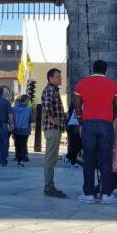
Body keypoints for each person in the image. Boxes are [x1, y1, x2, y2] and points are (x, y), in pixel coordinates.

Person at [74, 60, 117, 206]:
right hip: (106, 125)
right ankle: (106, 194)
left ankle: (88, 194)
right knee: (106, 160)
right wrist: (110, 118)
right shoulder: (113, 84)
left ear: (92, 70)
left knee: (88, 159)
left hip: (88, 124)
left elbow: (76, 104)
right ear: (105, 70)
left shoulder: (82, 83)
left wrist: (80, 119)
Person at [41, 68, 67, 197]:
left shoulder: (53, 90)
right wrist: (52, 118)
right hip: (52, 128)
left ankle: (50, 186)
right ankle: (48, 187)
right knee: (50, 158)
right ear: (50, 78)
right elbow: (46, 104)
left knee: (52, 158)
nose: (60, 79)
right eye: (58, 77)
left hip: (54, 128)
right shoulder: (50, 90)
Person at [12, 94, 32, 166]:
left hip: (16, 129)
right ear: (26, 100)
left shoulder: (14, 108)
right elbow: (31, 120)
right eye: (28, 100)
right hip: (25, 129)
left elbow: (12, 118)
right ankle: (22, 159)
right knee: (23, 144)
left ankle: (18, 159)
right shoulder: (29, 109)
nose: (29, 102)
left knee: (17, 144)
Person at [65, 101, 82, 168]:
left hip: (72, 127)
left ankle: (69, 159)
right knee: (77, 145)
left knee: (74, 145)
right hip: (74, 127)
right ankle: (71, 160)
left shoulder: (75, 107)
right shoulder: (79, 107)